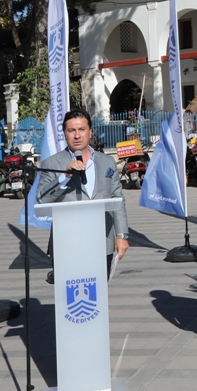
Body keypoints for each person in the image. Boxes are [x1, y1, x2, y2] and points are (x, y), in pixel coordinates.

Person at [37, 109, 129, 276]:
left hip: (102, 241)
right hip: (67, 244)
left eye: (82, 129)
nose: (77, 135)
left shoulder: (107, 162)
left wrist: (121, 235)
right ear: (65, 133)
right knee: (70, 290)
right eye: (71, 130)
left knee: (99, 290)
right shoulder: (52, 163)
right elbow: (42, 198)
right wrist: (64, 177)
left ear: (90, 131)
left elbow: (117, 198)